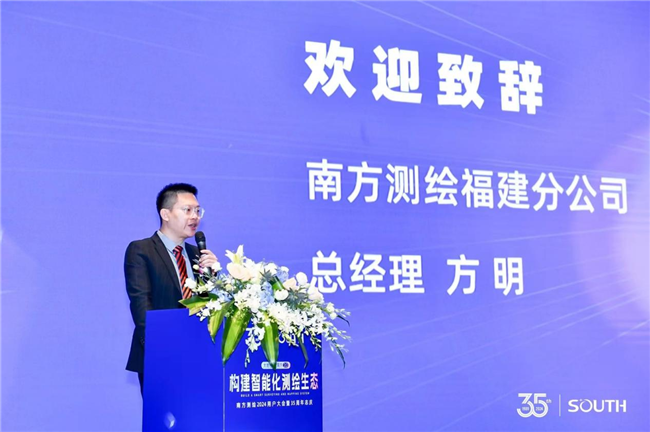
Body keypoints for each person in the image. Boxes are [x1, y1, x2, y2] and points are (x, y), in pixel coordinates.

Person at [124, 183, 218, 394]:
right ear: (165, 214)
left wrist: (212, 277)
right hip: (160, 355)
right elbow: (141, 305)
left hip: (200, 356)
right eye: (187, 210)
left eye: (197, 210)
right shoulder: (141, 250)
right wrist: (160, 348)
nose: (195, 217)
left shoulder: (198, 255)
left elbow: (208, 306)